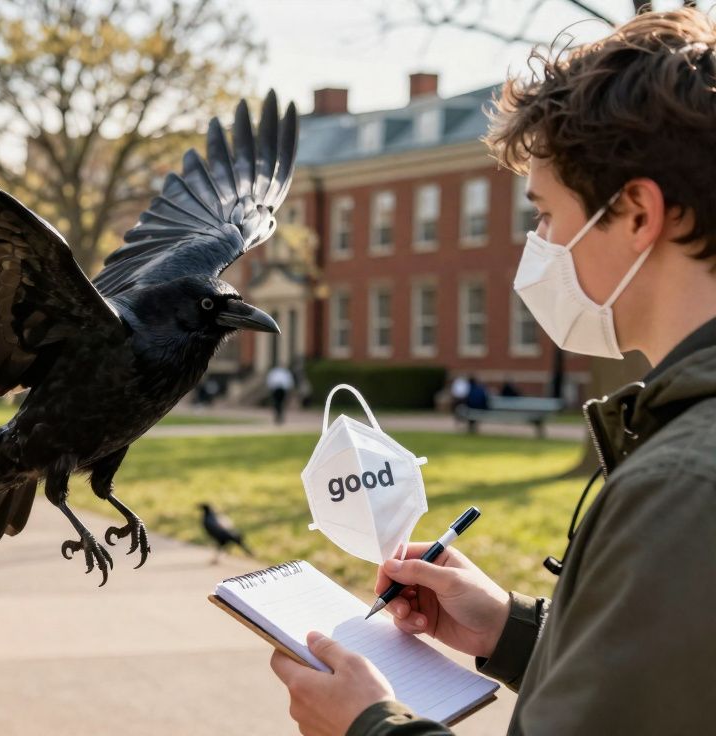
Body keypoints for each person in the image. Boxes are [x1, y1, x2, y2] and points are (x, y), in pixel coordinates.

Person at [269, 9, 716, 734]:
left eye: (544, 214)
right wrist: (511, 631)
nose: (537, 245)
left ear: (637, 213)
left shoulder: (683, 483)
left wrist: (367, 725)